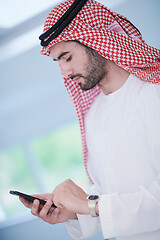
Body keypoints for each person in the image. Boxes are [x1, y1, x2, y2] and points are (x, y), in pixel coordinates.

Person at [19, 0, 160, 239]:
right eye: (58, 63)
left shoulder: (153, 94)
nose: (64, 72)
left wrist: (88, 206)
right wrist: (73, 212)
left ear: (97, 42)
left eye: (67, 57)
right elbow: (109, 191)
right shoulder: (94, 117)